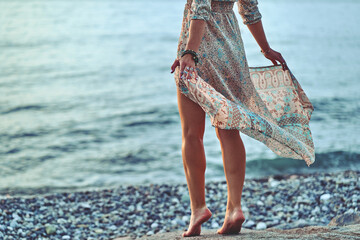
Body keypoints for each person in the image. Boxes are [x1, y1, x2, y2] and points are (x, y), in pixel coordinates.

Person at [170, 0, 306, 237]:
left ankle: (198, 209)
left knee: (192, 134)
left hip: (199, 45)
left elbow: (201, 8)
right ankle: (234, 208)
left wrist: (189, 52)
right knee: (228, 129)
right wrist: (266, 48)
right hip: (231, 47)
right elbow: (250, 10)